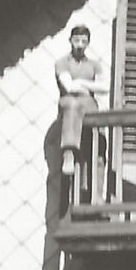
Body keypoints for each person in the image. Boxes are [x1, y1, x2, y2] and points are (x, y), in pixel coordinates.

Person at [54, 24, 108, 180]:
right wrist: (89, 86)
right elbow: (69, 87)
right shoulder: (62, 63)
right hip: (69, 103)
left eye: (84, 42)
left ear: (88, 43)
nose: (79, 45)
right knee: (72, 104)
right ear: (70, 40)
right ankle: (68, 152)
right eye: (76, 40)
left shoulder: (94, 65)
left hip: (88, 105)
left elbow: (105, 87)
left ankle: (92, 186)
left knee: (97, 148)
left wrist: (81, 83)